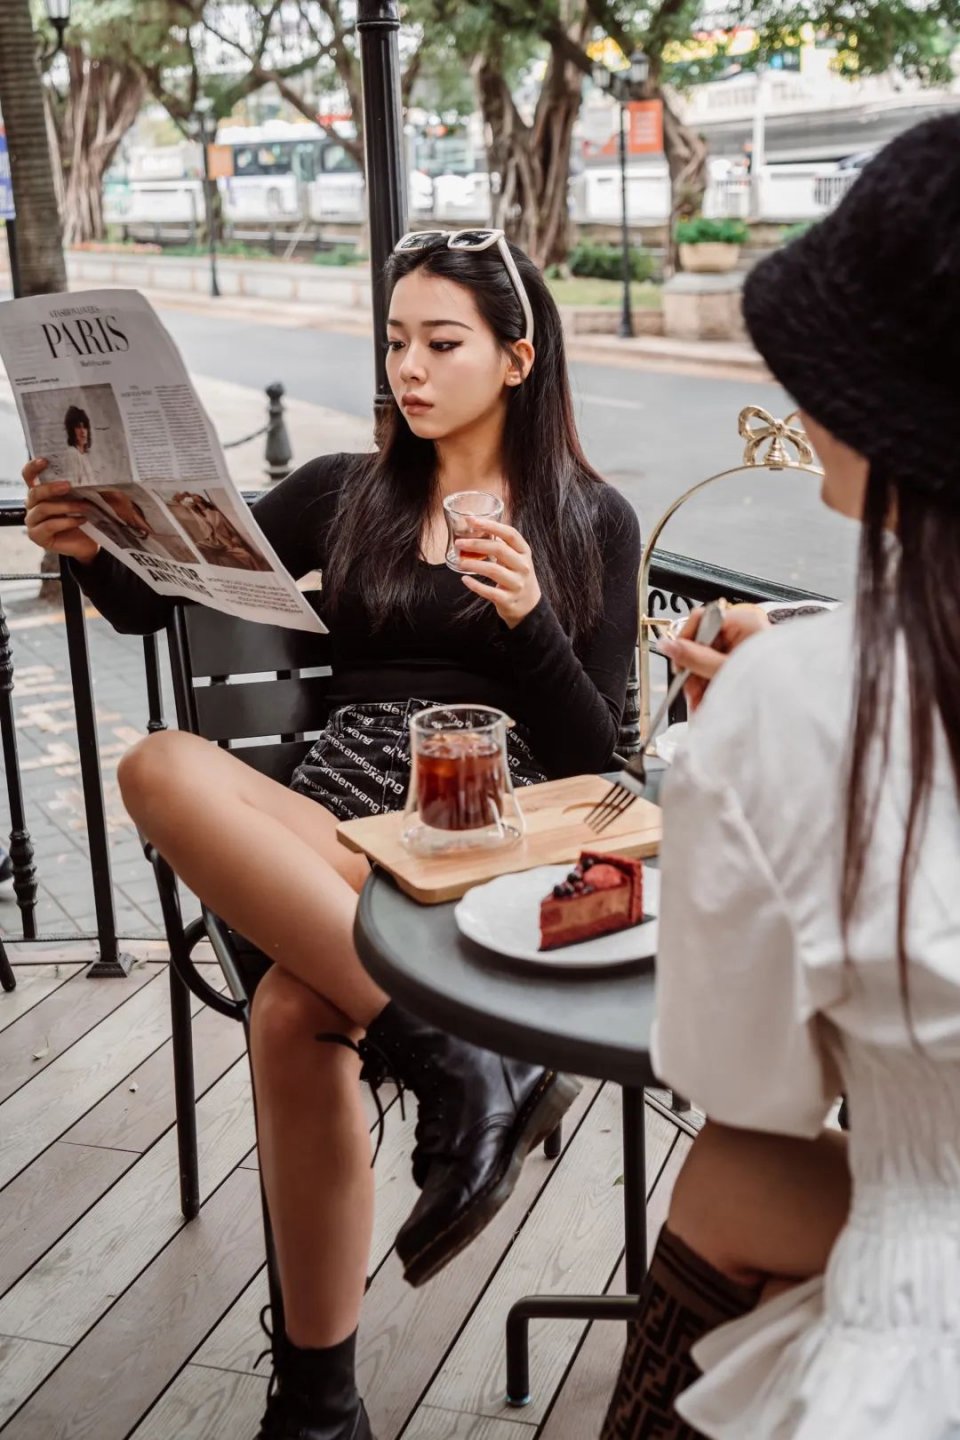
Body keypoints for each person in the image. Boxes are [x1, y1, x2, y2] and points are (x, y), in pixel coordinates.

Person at [23, 229, 641, 1440]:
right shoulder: (340, 492)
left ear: (517, 359)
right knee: (156, 762)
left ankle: (316, 1407)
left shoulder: (589, 521)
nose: (410, 367)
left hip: (482, 840)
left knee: (291, 1012)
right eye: (397, 340)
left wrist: (527, 624)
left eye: (442, 342)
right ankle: (458, 1056)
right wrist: (90, 544)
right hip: (333, 820)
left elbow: (594, 768)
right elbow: (165, 593)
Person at [601, 113, 960, 1440]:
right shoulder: (818, 679)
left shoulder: (804, 711)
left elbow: (748, 1084)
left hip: (929, 1322)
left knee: (734, 1166)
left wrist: (750, 731)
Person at [61, 405, 96, 486]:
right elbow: (74, 487)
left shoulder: (84, 456)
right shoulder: (72, 454)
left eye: (85, 427)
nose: (83, 431)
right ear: (71, 430)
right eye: (78, 427)